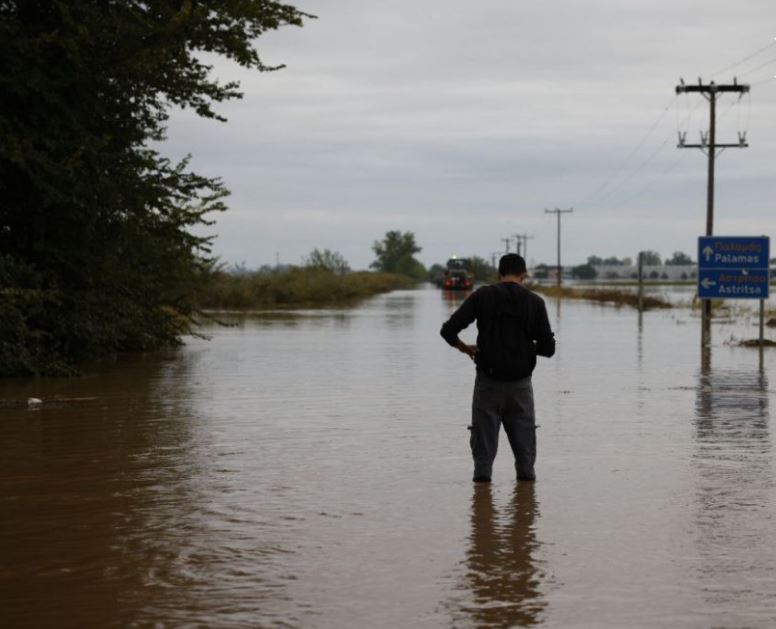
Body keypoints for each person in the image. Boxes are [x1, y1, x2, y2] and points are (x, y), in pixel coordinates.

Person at [440, 254, 555, 483]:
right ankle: (524, 510)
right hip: (521, 387)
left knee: (482, 465)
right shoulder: (535, 302)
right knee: (526, 463)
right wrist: (527, 347)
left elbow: (448, 331)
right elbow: (549, 349)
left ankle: (482, 512)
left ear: (498, 274)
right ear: (524, 275)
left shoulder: (482, 296)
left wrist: (466, 349)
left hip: (487, 384)